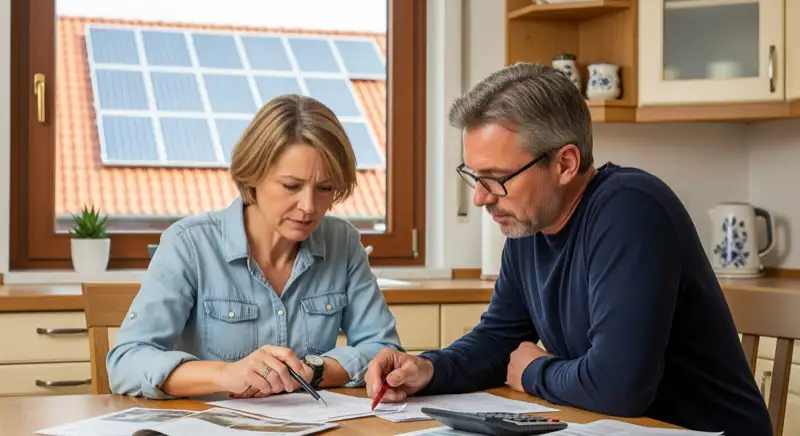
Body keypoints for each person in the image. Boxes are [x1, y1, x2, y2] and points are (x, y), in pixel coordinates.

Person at [365, 63, 773, 436]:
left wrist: (534, 372)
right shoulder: (528, 224)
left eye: (496, 178)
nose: (481, 198)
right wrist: (430, 368)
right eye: (475, 177)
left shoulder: (631, 210)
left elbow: (619, 387)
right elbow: (499, 340)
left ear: (565, 164)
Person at [107, 94, 403, 400]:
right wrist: (225, 374)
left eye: (325, 188)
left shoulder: (343, 243)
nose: (309, 206)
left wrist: (313, 369)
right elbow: (125, 362)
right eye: (291, 186)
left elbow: (385, 352)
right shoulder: (189, 244)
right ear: (253, 174)